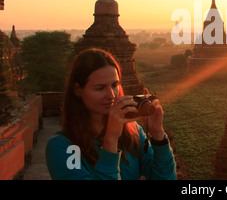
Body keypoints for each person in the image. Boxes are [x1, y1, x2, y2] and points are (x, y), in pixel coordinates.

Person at [46, 48, 177, 180]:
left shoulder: (132, 131)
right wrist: (111, 140)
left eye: (115, 85)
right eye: (100, 88)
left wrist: (158, 134)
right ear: (78, 90)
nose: (111, 95)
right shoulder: (65, 147)